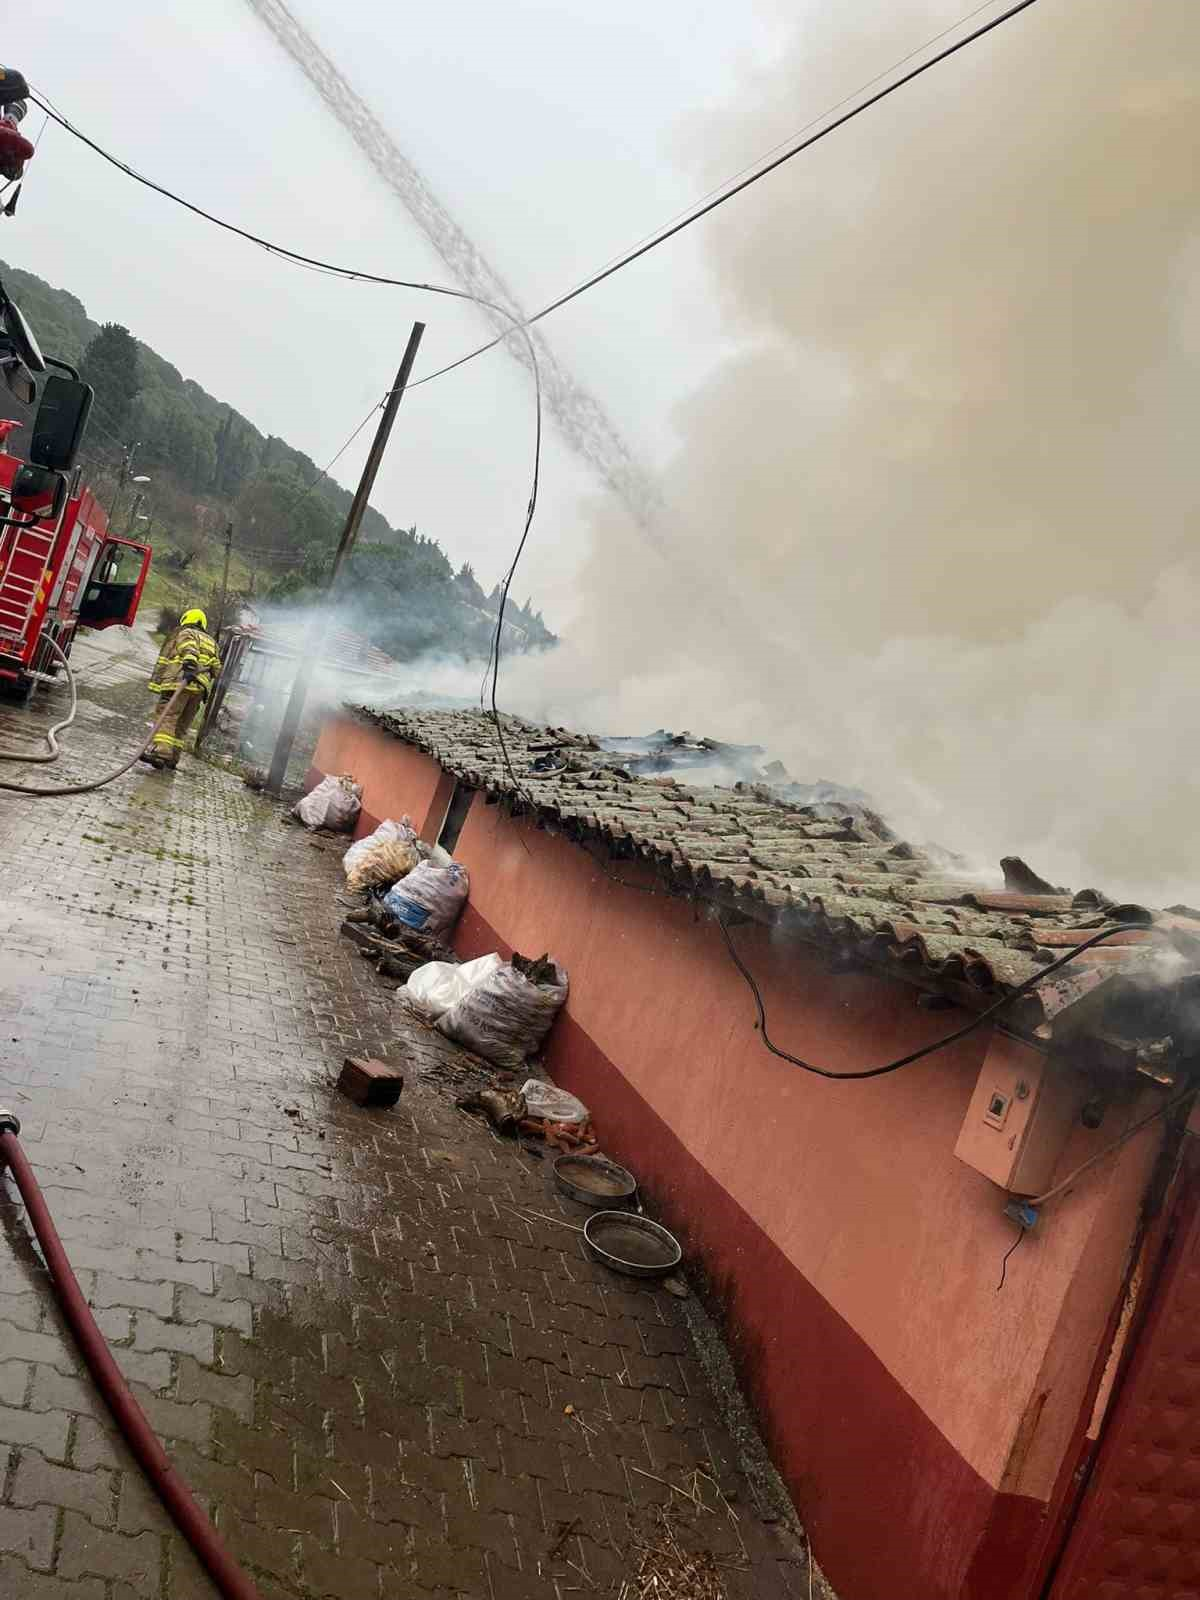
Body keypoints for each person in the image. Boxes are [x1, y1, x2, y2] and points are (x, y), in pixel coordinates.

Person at [143, 608, 220, 771]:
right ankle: (173, 758)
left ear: (186, 619)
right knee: (182, 724)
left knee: (167, 716)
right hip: (199, 690)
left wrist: (190, 664)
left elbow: (189, 647)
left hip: (180, 682)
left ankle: (161, 752)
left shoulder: (187, 633)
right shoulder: (212, 642)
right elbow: (217, 668)